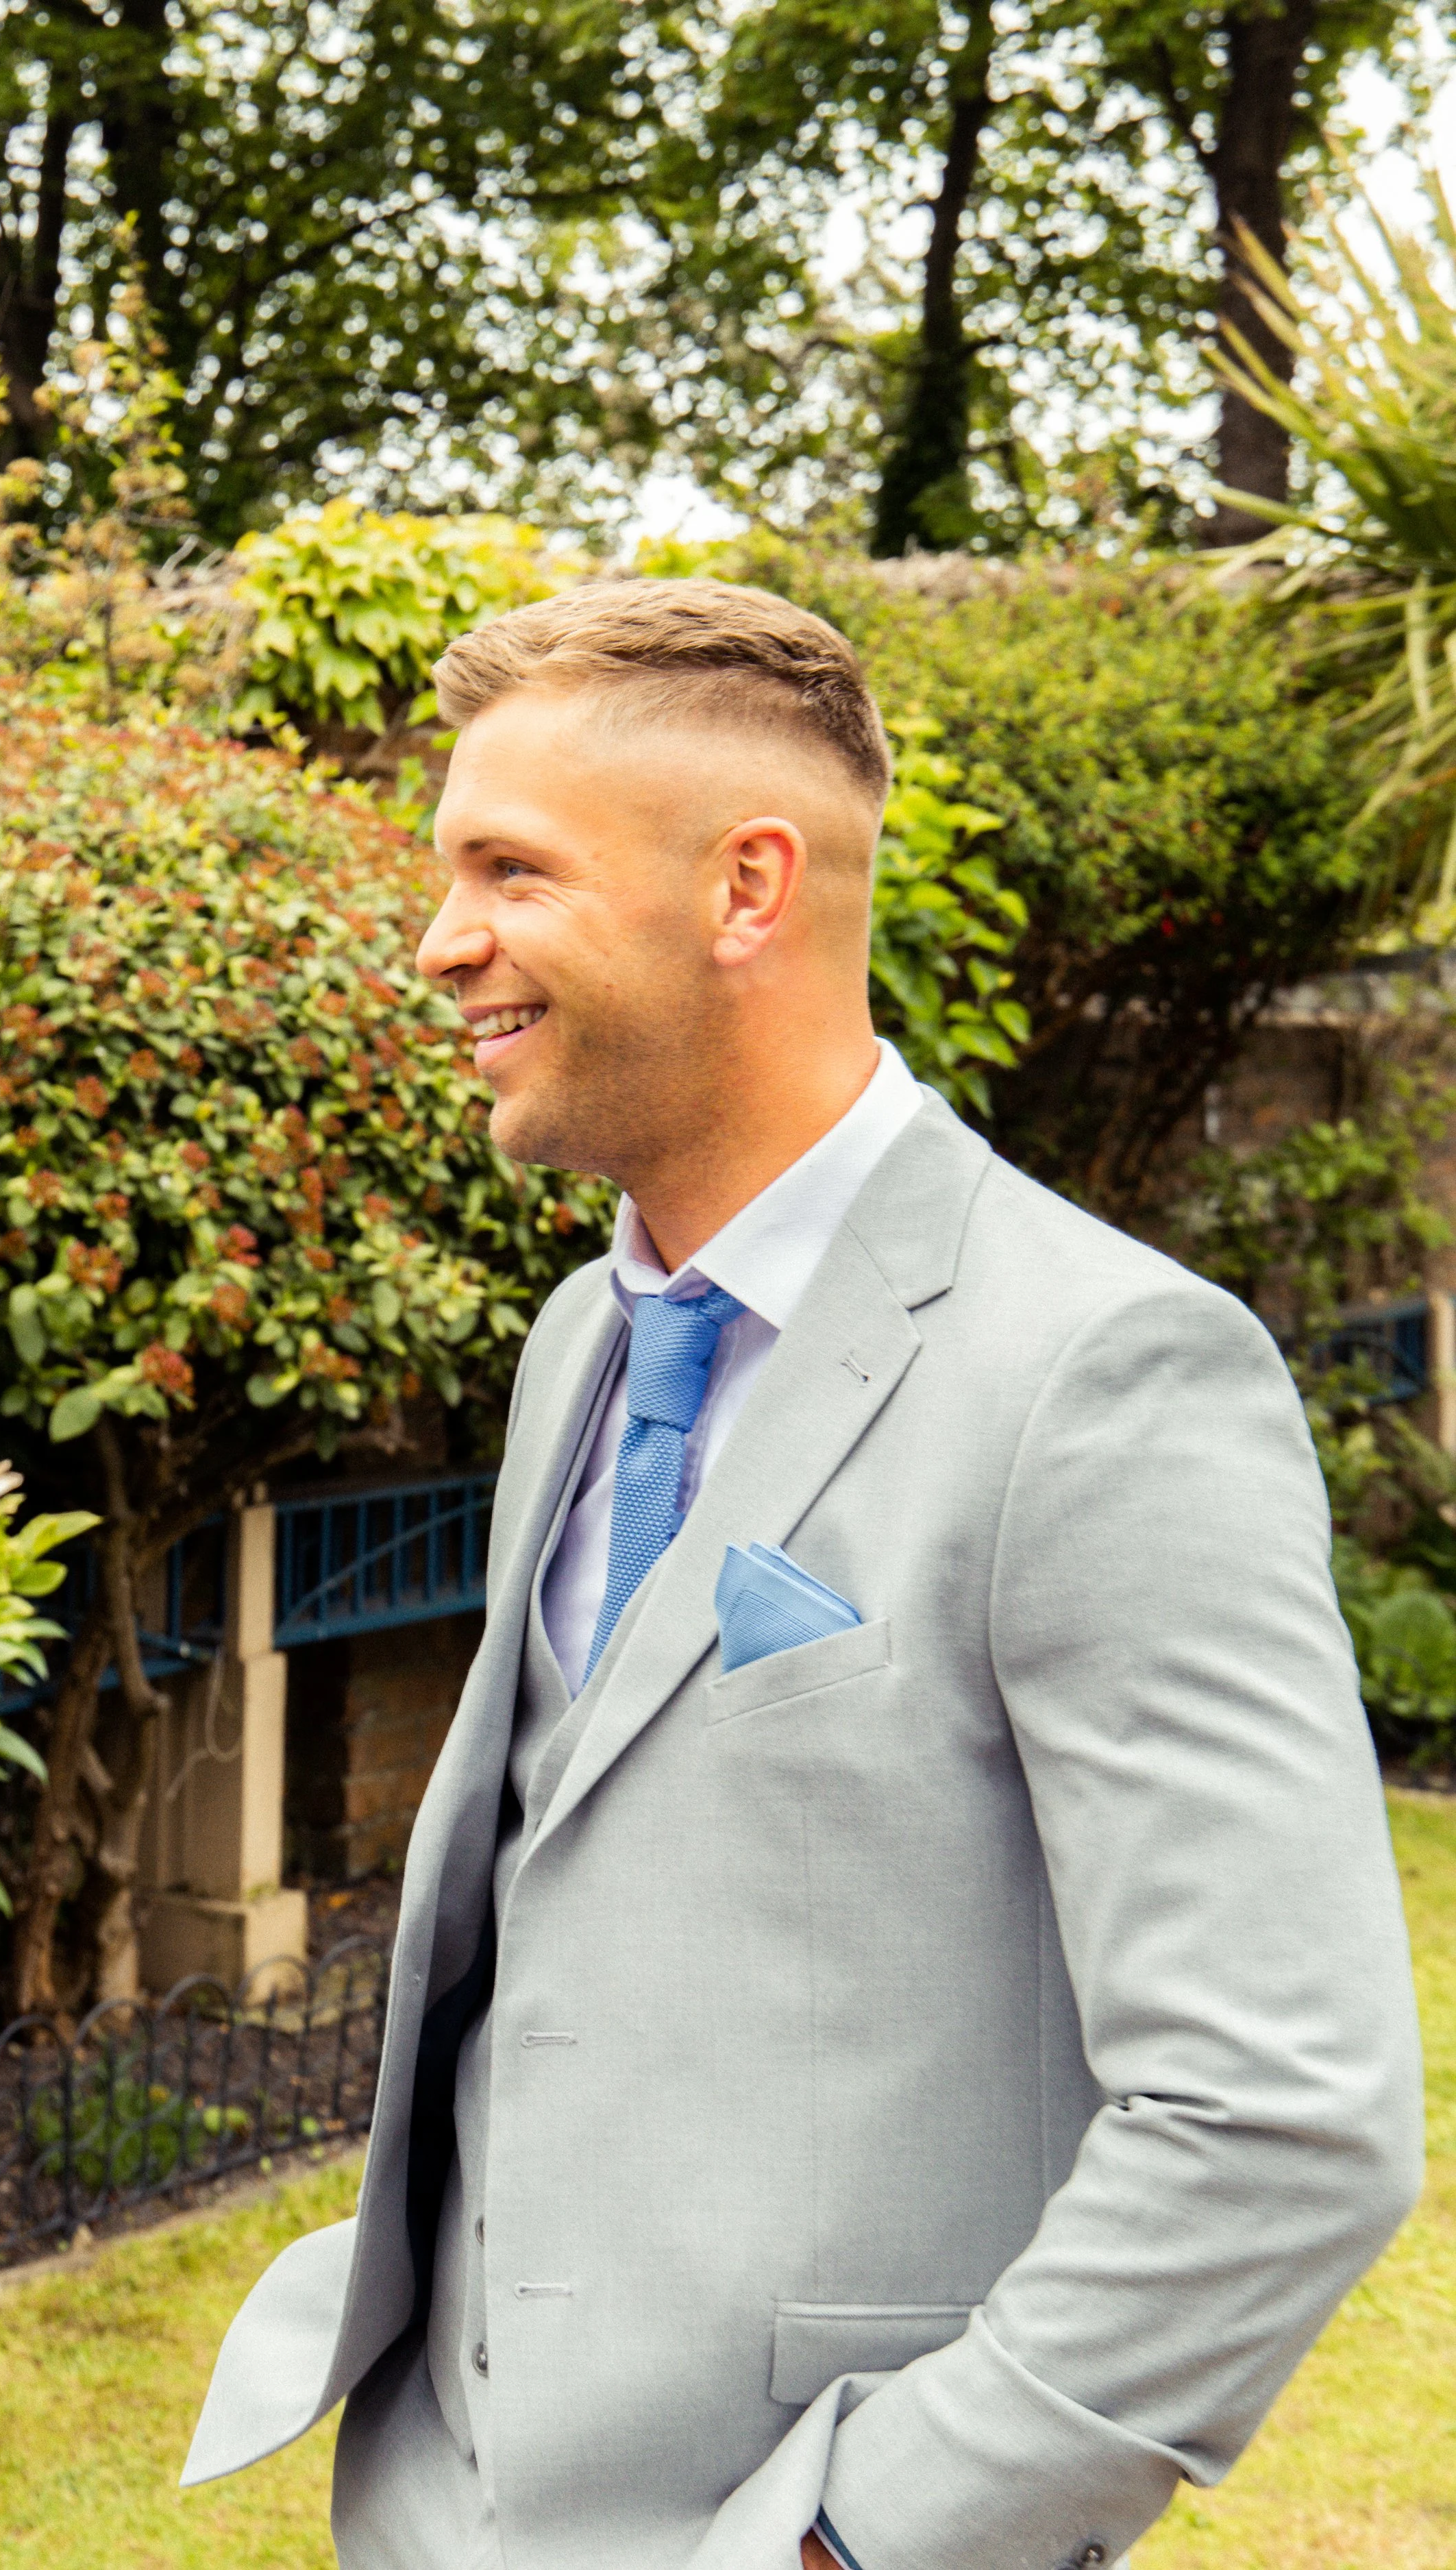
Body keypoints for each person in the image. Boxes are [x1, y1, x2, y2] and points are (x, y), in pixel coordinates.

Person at [182, 578, 1423, 2570]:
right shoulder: (579, 1339)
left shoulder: (1101, 1372)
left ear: (745, 887)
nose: (440, 943)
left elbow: (1279, 2115)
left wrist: (861, 2538)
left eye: (507, 868)